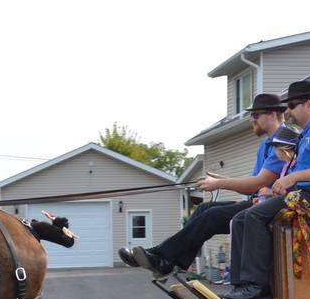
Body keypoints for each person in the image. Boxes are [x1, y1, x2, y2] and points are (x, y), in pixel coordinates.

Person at [119, 93, 287, 276]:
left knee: (212, 216)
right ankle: (167, 260)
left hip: (269, 208)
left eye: (255, 115)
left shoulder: (284, 141)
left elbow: (258, 183)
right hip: (257, 201)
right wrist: (219, 179)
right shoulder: (265, 144)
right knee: (203, 209)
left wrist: (220, 183)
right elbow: (255, 185)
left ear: (271, 114)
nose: (251, 120)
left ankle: (162, 258)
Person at [223, 80, 310, 299]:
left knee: (254, 215)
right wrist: (278, 188)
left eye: (292, 105)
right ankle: (240, 283)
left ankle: (257, 285)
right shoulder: (307, 133)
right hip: (302, 194)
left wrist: (293, 177)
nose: (288, 111)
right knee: (242, 218)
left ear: (309, 104)